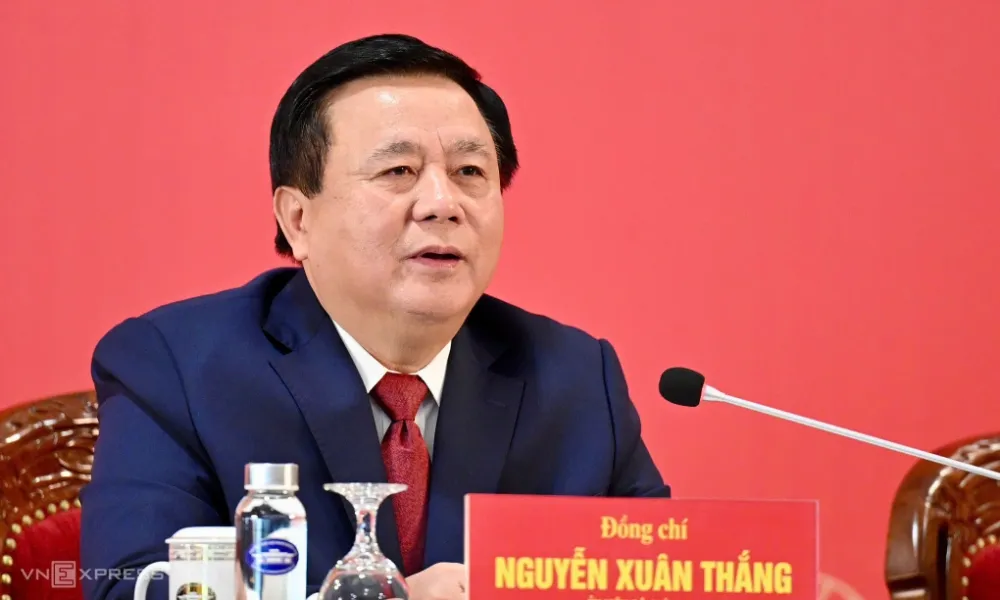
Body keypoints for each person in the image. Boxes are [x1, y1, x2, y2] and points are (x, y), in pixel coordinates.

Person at [80, 33, 669, 600]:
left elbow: (664, 578)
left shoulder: (575, 379)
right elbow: (131, 586)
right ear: (298, 220)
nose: (442, 204)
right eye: (398, 172)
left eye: (469, 172)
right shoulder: (177, 368)